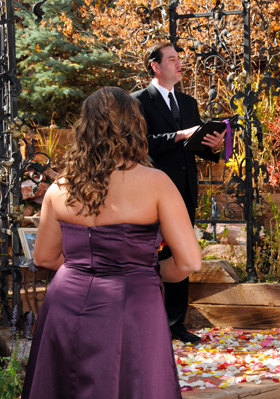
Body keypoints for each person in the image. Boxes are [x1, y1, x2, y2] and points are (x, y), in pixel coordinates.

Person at [22, 87, 202, 399]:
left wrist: (87, 270)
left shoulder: (59, 188)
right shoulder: (156, 183)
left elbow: (45, 257)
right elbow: (189, 262)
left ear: (85, 128)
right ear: (135, 126)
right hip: (133, 305)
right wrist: (151, 273)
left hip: (66, 302)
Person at [132, 42, 225, 343]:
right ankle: (147, 320)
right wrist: (179, 135)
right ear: (155, 66)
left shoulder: (188, 103)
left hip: (185, 191)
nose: (179, 64)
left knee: (181, 254)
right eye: (172, 60)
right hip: (151, 192)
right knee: (149, 257)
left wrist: (214, 148)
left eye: (179, 60)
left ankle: (176, 323)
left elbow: (192, 148)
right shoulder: (137, 102)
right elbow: (140, 144)